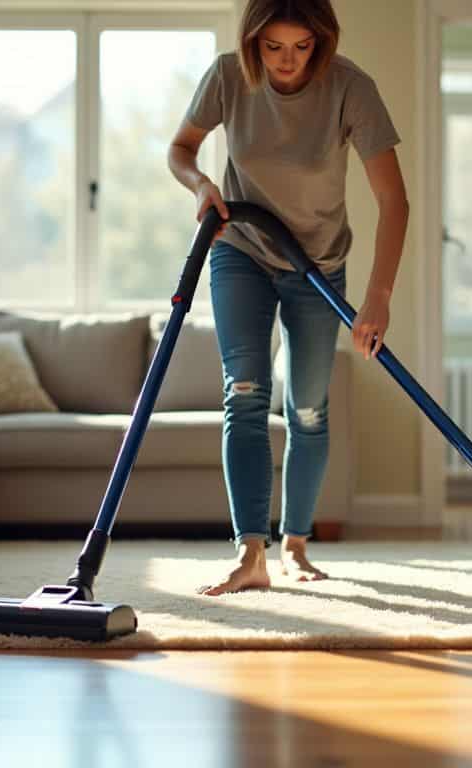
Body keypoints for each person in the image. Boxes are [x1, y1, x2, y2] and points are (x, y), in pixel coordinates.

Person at [167, 0, 409, 596]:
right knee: (244, 393)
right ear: (253, 41)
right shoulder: (227, 76)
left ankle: (295, 543)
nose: (287, 61)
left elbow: (394, 200)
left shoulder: (351, 87)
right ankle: (252, 552)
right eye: (273, 47)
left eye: (301, 47)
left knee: (307, 408)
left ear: (320, 42)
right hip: (242, 250)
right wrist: (203, 184)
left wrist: (378, 297)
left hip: (319, 266)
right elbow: (181, 150)